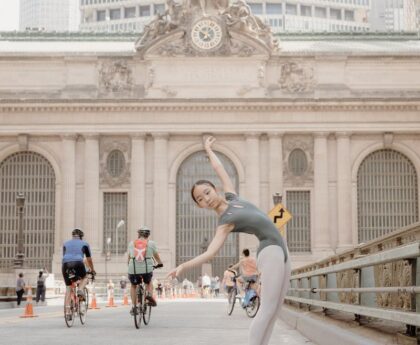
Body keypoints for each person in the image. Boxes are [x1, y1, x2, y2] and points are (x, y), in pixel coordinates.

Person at [168, 135, 291, 345]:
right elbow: (210, 253)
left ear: (214, 188)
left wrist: (208, 150)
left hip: (283, 249)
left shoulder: (233, 198)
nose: (206, 198)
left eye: (206, 192)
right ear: (200, 206)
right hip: (270, 251)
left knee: (275, 309)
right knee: (267, 309)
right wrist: (183, 266)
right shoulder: (225, 222)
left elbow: (220, 169)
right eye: (200, 199)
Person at [127, 226, 163, 315]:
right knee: (148, 282)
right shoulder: (151, 244)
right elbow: (156, 255)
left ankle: (134, 307)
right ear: (148, 235)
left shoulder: (131, 243)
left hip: (133, 269)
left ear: (139, 234)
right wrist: (160, 263)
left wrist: (130, 266)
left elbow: (129, 258)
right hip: (147, 269)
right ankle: (149, 296)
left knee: (133, 285)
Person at [62, 228, 96, 317]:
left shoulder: (65, 243)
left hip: (65, 264)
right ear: (81, 237)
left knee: (69, 288)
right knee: (85, 278)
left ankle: (68, 311)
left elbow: (65, 257)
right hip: (78, 263)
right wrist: (92, 270)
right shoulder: (85, 244)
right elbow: (89, 259)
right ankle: (80, 289)